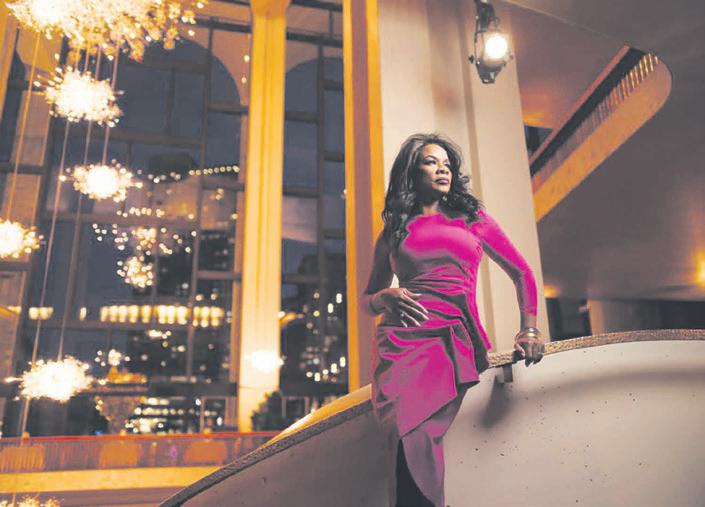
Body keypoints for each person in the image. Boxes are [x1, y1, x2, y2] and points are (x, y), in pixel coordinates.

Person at [359, 133, 545, 507]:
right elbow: (367, 300)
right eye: (431, 162)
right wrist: (384, 297)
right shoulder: (395, 230)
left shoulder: (473, 220)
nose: (442, 169)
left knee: (423, 435)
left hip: (451, 340)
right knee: (401, 435)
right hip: (402, 343)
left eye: (447, 164)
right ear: (412, 172)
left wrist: (529, 328)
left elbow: (522, 272)